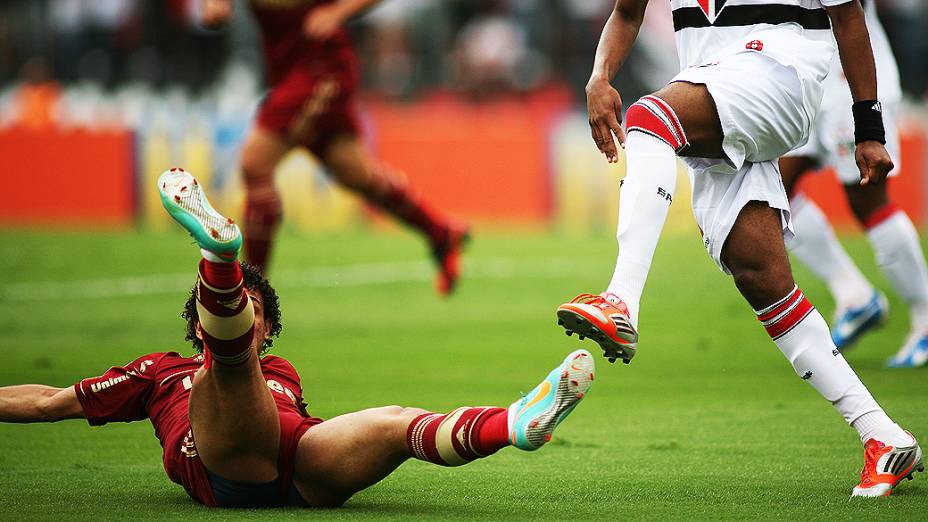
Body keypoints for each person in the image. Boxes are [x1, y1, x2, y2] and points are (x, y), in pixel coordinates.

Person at [0, 168, 593, 508]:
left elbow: (284, 428)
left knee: (394, 421)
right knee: (223, 371)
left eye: (258, 314)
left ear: (268, 327)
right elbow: (50, 401)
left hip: (301, 468)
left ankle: (517, 424)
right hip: (225, 468)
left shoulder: (281, 372)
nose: (255, 322)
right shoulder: (160, 373)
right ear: (197, 322)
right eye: (244, 309)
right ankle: (219, 254)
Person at [554, 0, 922, 496]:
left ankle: (620, 300)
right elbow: (626, 13)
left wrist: (869, 126)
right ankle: (882, 436)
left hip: (780, 71)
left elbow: (849, 16)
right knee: (761, 277)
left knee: (649, 119)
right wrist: (600, 78)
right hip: (712, 88)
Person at [201, 0, 468, 294]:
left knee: (256, 162)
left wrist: (336, 12)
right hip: (289, 73)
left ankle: (253, 292)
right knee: (356, 174)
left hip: (323, 69)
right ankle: (441, 233)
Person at [778, 0, 928, 368]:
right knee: (770, 192)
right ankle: (854, 295)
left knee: (867, 199)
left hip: (848, 83)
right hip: (798, 80)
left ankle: (925, 319)